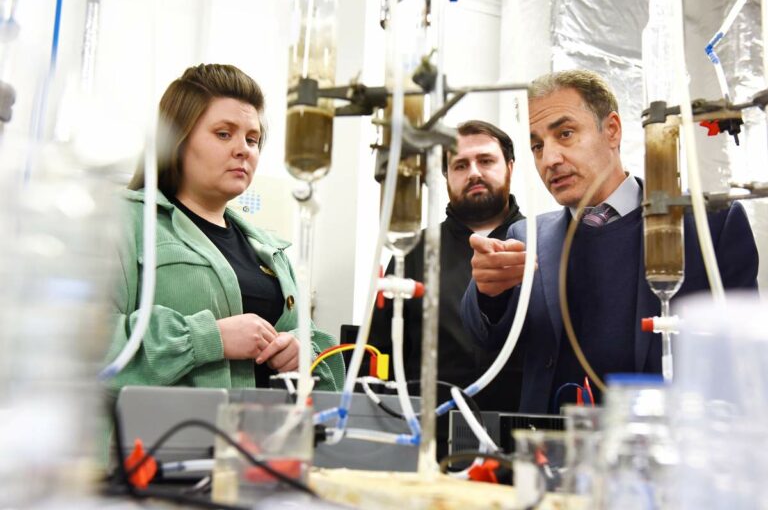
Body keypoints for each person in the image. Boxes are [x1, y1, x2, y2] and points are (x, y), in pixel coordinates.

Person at [461, 69, 759, 414]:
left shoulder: (709, 225)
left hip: (667, 451)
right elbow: (487, 340)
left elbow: (743, 359)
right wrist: (488, 294)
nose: (550, 159)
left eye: (566, 133)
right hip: (554, 451)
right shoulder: (526, 237)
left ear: (612, 130)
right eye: (538, 146)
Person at [107, 64, 344, 391]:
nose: (243, 150)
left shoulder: (270, 251)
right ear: (177, 139)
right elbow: (86, 348)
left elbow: (313, 343)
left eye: (252, 139)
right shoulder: (126, 223)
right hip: (159, 439)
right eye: (223, 133)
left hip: (260, 437)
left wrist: (303, 354)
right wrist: (210, 338)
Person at [370, 120, 525, 458]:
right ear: (446, 176)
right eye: (460, 165)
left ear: (509, 167)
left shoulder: (541, 245)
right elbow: (378, 358)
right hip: (428, 444)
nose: (473, 172)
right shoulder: (411, 253)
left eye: (486, 161)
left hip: (521, 446)